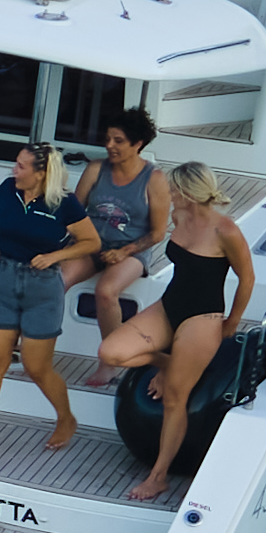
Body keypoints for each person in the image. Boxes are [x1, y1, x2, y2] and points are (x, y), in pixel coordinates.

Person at [98, 161, 257, 501]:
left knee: (174, 399)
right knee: (110, 352)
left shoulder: (225, 231)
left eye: (173, 189)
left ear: (187, 193)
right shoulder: (179, 217)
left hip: (203, 317)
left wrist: (231, 322)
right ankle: (167, 362)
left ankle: (158, 476)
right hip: (169, 306)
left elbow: (247, 278)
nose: (169, 194)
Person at [0, 141, 97, 456]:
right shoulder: (8, 189)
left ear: (41, 174)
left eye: (21, 166)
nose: (14, 170)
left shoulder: (64, 204)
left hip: (43, 287)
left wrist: (56, 256)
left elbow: (91, 242)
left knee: (36, 367)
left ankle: (66, 418)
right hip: (2, 279)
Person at [74, 105, 168, 384]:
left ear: (137, 144)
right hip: (91, 243)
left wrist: (123, 251)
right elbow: (75, 212)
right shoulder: (95, 168)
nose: (109, 146)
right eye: (107, 139)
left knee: (106, 291)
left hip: (131, 249)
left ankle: (108, 362)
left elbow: (158, 233)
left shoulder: (154, 179)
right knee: (54, 280)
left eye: (118, 141)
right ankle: (34, 350)